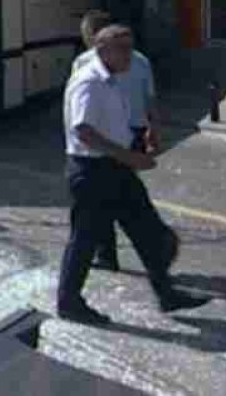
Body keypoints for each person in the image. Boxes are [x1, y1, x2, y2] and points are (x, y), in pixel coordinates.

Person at [57, 25, 209, 324]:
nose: (130, 54)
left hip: (116, 168)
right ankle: (69, 303)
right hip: (93, 171)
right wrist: (129, 157)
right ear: (102, 50)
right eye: (122, 48)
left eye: (131, 46)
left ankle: (166, 293)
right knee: (85, 240)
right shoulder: (90, 82)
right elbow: (83, 130)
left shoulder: (114, 79)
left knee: (147, 229)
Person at [72, 14, 163, 273]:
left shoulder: (84, 63)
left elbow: (80, 117)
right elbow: (151, 99)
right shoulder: (141, 60)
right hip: (128, 134)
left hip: (108, 139)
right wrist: (153, 129)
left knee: (110, 200)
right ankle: (155, 256)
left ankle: (110, 254)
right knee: (122, 197)